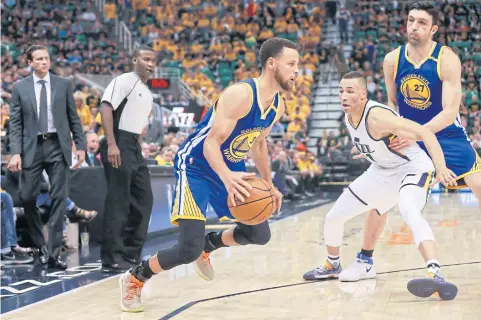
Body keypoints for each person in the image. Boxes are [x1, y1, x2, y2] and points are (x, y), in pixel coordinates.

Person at [118, 37, 296, 312]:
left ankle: (209, 245)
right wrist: (227, 178)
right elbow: (211, 143)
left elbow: (258, 144)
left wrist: (270, 185)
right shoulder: (241, 94)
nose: (296, 70)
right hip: (197, 166)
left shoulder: (277, 105)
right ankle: (136, 277)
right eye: (291, 64)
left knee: (259, 234)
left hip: (230, 168)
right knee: (186, 250)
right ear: (272, 64)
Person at [341, 1, 481, 290]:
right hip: (406, 136)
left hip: (445, 134)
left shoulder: (447, 59)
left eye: (420, 23)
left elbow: (450, 112)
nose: (413, 27)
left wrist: (418, 133)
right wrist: (391, 131)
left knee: (478, 184)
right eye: (410, 21)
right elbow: (392, 103)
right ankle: (365, 259)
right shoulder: (393, 59)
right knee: (382, 197)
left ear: (433, 29)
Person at [303, 71, 459, 301]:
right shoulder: (348, 116)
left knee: (408, 209)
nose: (343, 96)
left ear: (363, 94)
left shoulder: (376, 116)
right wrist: (367, 149)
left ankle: (435, 273)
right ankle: (333, 264)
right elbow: (376, 141)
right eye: (340, 91)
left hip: (412, 168)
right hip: (381, 171)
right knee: (334, 217)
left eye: (350, 91)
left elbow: (424, 132)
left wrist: (441, 167)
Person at [8, 45, 86, 269]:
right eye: (39, 59)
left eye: (46, 58)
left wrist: (80, 146)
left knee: (59, 199)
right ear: (30, 62)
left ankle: (52, 254)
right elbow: (15, 123)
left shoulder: (63, 84)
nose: (44, 62)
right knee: (27, 197)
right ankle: (40, 245)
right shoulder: (20, 88)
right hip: (32, 147)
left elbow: (73, 118)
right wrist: (15, 152)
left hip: (57, 146)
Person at [99, 46, 156, 273]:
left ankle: (131, 254)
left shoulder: (146, 91)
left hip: (133, 146)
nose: (150, 64)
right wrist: (112, 143)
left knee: (144, 200)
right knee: (118, 202)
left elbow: (134, 121)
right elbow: (105, 108)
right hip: (118, 143)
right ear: (135, 59)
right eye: (145, 59)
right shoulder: (124, 80)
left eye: (153, 60)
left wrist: (137, 144)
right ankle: (111, 258)